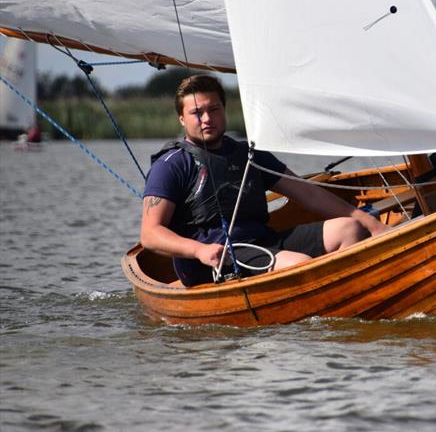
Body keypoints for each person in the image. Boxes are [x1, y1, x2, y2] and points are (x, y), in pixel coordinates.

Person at [140, 75, 390, 287]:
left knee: (350, 229)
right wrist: (198, 250)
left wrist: (371, 223)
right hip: (213, 258)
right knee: (299, 264)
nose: (207, 118)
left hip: (262, 241)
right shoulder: (171, 165)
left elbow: (310, 194)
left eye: (213, 109)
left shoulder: (248, 155)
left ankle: (357, 297)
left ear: (223, 110)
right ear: (182, 119)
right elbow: (150, 234)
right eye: (197, 112)